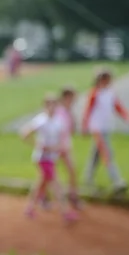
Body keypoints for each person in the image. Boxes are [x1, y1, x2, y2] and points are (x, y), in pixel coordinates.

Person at [20, 94, 79, 223]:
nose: (52, 108)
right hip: (42, 158)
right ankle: (65, 212)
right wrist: (39, 145)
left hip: (52, 158)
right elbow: (24, 133)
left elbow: (62, 138)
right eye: (49, 105)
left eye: (54, 105)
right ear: (45, 106)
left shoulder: (58, 121)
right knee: (57, 185)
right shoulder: (40, 120)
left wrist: (58, 147)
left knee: (40, 185)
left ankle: (29, 208)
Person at [82, 67, 129, 194]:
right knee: (107, 153)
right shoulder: (94, 93)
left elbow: (117, 106)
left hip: (106, 127)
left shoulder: (110, 93)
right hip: (97, 128)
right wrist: (85, 126)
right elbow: (88, 110)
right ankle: (117, 180)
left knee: (96, 155)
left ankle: (87, 178)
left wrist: (127, 116)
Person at [56, 86, 81, 208]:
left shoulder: (68, 112)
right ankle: (43, 197)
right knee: (47, 175)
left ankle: (73, 196)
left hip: (65, 146)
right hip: (55, 148)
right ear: (66, 97)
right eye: (73, 98)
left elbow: (71, 131)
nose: (74, 101)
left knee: (72, 170)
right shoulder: (58, 112)